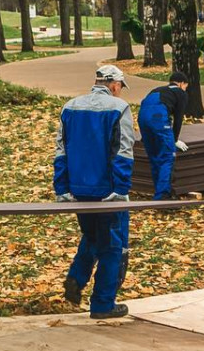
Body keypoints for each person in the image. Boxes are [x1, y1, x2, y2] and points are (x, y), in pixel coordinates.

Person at [54, 64, 135, 319]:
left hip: (78, 189)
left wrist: (62, 187)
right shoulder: (119, 109)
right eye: (120, 87)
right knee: (112, 245)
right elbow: (123, 151)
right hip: (107, 189)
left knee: (91, 236)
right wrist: (121, 188)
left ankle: (76, 278)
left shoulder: (70, 107)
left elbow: (61, 150)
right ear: (114, 85)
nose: (120, 91)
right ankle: (103, 303)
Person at [138, 71, 190, 200]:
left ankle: (159, 191)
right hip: (158, 118)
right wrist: (175, 140)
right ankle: (163, 196)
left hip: (142, 118)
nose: (185, 89)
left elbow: (145, 107)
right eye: (185, 86)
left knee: (154, 156)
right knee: (167, 156)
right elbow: (178, 118)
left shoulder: (157, 90)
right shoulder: (180, 93)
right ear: (181, 83)